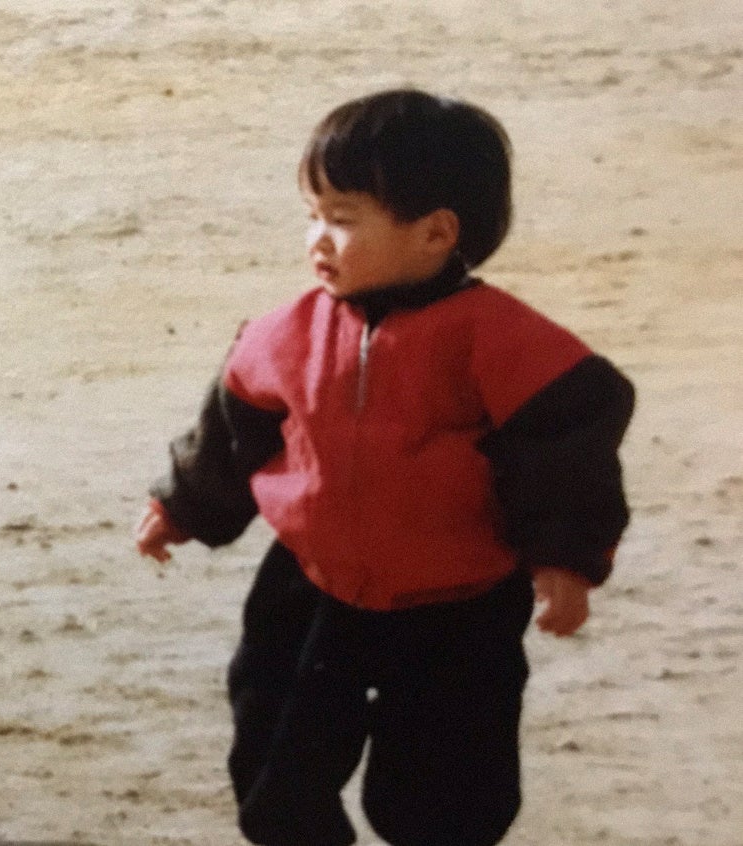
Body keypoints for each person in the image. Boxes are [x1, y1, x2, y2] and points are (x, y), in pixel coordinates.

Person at [135, 89, 634, 845]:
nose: (318, 239)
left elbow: (566, 445)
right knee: (276, 770)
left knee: (444, 797)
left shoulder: (496, 338)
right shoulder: (287, 334)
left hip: (458, 605)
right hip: (312, 588)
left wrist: (564, 558)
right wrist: (182, 507)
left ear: (435, 232)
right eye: (312, 214)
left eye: (342, 219)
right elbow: (233, 430)